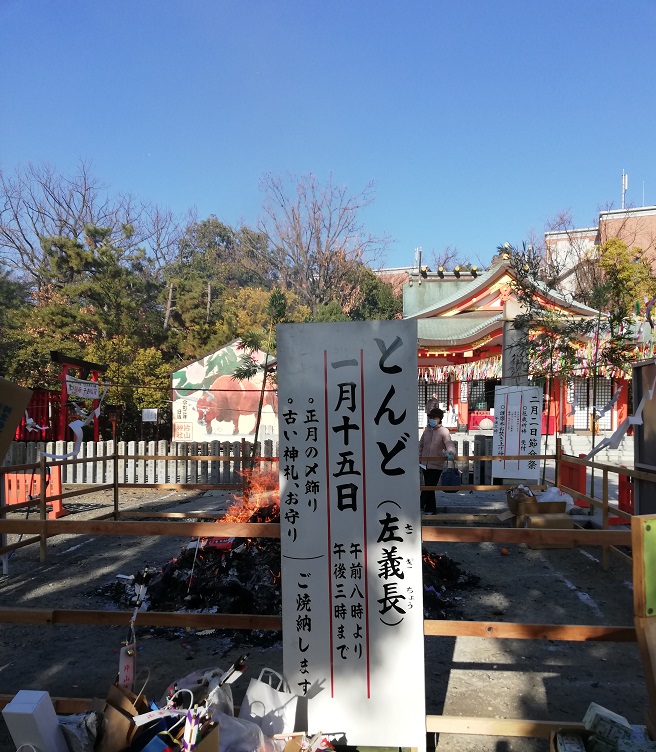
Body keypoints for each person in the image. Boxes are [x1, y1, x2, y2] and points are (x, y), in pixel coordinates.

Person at [419, 407, 456, 514]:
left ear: (440, 419)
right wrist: (419, 457)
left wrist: (451, 452)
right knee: (429, 488)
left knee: (428, 487)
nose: (432, 419)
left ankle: (419, 505)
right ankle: (431, 510)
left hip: (437, 464)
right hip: (424, 463)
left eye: (434, 417)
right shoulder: (426, 430)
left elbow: (449, 443)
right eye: (430, 417)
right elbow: (421, 445)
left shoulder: (444, 431)